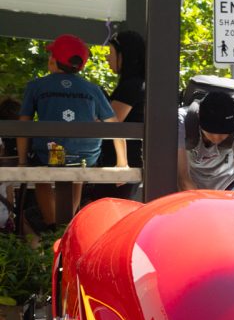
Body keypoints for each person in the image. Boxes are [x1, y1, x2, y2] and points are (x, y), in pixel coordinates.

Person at [17, 34, 127, 225]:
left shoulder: (36, 86)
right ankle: (66, 223)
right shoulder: (93, 89)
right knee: (77, 172)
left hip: (50, 155)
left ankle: (51, 223)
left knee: (40, 173)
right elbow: (114, 123)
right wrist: (122, 162)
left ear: (53, 60)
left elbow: (23, 123)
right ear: (81, 65)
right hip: (85, 156)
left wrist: (21, 161)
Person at [89, 30, 145, 201]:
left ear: (125, 55)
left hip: (119, 167)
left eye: (111, 52)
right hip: (125, 164)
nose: (107, 58)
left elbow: (111, 123)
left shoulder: (132, 86)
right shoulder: (138, 84)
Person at [177, 91, 234, 190]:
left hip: (225, 188)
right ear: (199, 117)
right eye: (211, 132)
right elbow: (183, 179)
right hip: (189, 188)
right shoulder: (181, 121)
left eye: (224, 133)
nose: (217, 138)